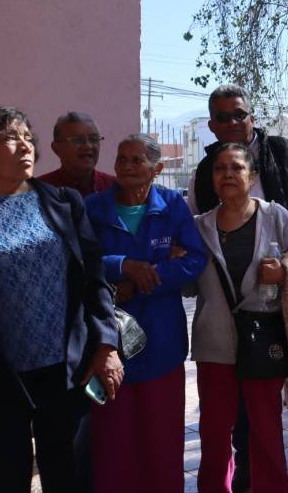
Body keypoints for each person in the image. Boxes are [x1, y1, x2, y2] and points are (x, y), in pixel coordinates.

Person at [188, 85, 288, 489]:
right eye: (223, 118)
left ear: (252, 116)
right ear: (212, 125)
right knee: (230, 420)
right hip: (222, 333)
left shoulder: (284, 153)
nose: (233, 123)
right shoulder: (202, 185)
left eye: (239, 114)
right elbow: (188, 256)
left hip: (280, 309)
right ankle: (245, 476)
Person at [0, 106, 122, 492]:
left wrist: (107, 345)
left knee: (69, 476)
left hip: (65, 368)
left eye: (28, 136)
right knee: (4, 476)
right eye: (10, 137)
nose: (25, 145)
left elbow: (94, 279)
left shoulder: (64, 202)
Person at [85, 135, 207, 493]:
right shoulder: (94, 208)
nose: (125, 166)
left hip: (161, 339)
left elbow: (195, 259)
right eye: (121, 159)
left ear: (157, 169)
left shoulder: (172, 205)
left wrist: (140, 280)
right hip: (107, 342)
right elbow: (81, 259)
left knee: (162, 438)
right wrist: (123, 265)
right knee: (113, 441)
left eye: (136, 160)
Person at [192, 142, 288, 493]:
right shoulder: (197, 227)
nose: (227, 174)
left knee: (265, 428)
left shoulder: (276, 217)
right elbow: (185, 286)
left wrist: (285, 270)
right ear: (211, 179)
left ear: (252, 175)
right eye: (219, 168)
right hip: (214, 343)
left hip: (264, 340)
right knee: (213, 431)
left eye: (236, 167)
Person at [37, 111, 115, 196]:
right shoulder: (40, 190)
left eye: (93, 139)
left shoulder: (116, 188)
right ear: (56, 148)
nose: (88, 146)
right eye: (78, 140)